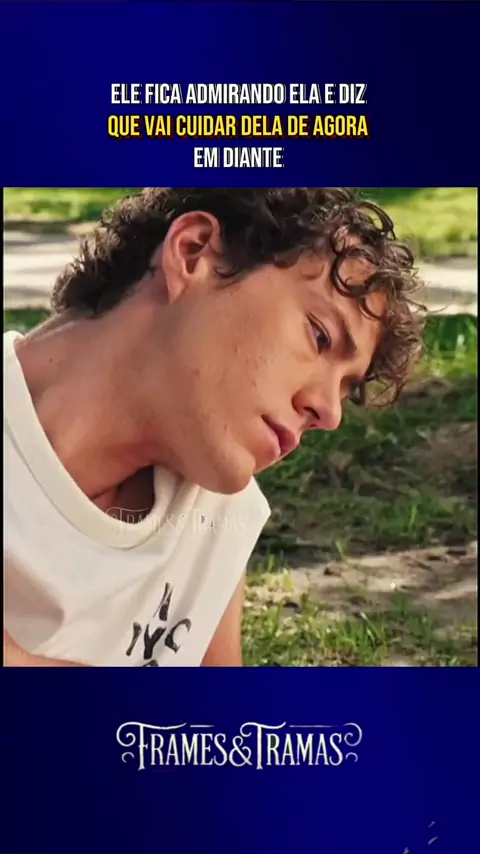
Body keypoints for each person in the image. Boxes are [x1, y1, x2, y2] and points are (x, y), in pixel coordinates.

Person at [3, 187, 424, 667]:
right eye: (320, 335)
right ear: (193, 252)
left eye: (345, 388)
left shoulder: (214, 517)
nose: (329, 413)